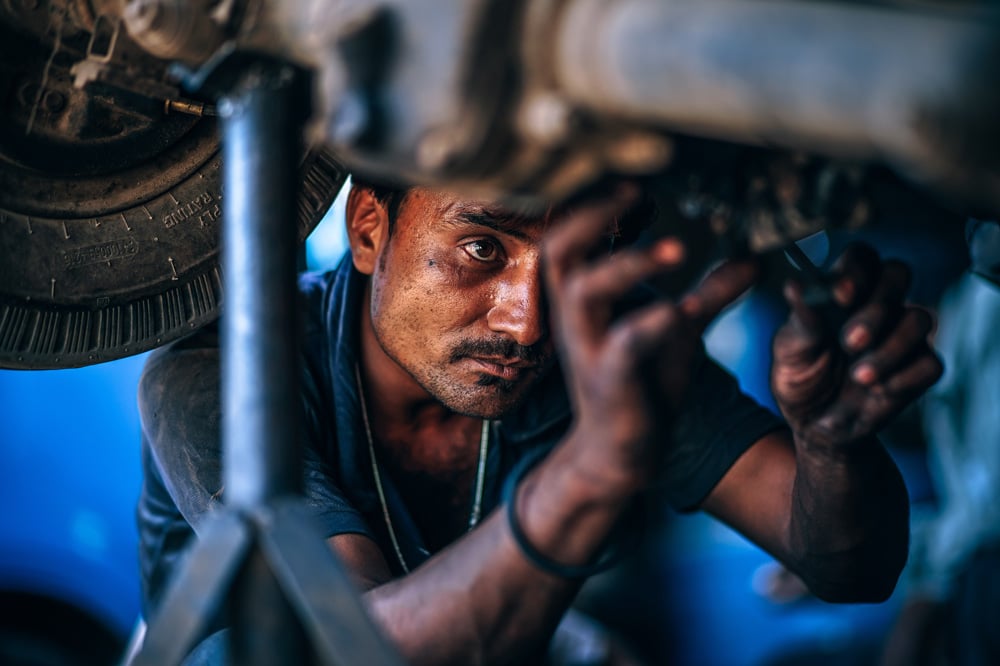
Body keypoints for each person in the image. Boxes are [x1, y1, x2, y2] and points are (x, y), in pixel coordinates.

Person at [137, 180, 942, 665]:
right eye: (483, 248)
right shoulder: (218, 379)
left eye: (572, 262)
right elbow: (358, 646)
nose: (527, 325)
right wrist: (590, 468)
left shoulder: (601, 347)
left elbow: (851, 568)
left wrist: (832, 443)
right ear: (369, 229)